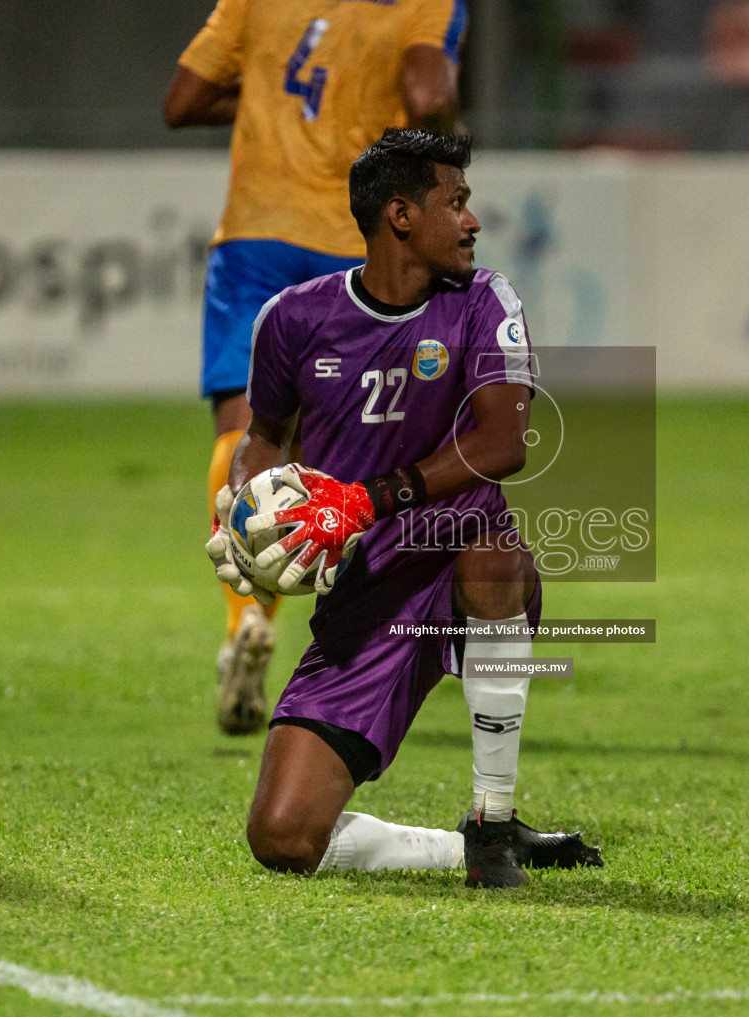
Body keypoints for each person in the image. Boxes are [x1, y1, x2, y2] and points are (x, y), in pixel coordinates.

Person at [205, 129, 602, 887]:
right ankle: (470, 847)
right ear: (400, 216)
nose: (473, 221)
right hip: (364, 593)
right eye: (455, 203)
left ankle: (491, 817)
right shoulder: (292, 320)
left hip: (459, 560)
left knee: (493, 554)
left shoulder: (485, 301)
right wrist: (242, 511)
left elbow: (503, 443)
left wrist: (365, 498)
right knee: (283, 838)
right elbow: (263, 438)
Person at [165, 0, 466, 736]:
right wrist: (445, 142)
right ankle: (381, 633)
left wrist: (269, 102)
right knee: (325, 450)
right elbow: (427, 95)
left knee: (245, 428)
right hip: (351, 241)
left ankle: (244, 618)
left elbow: (183, 100)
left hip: (254, 236)